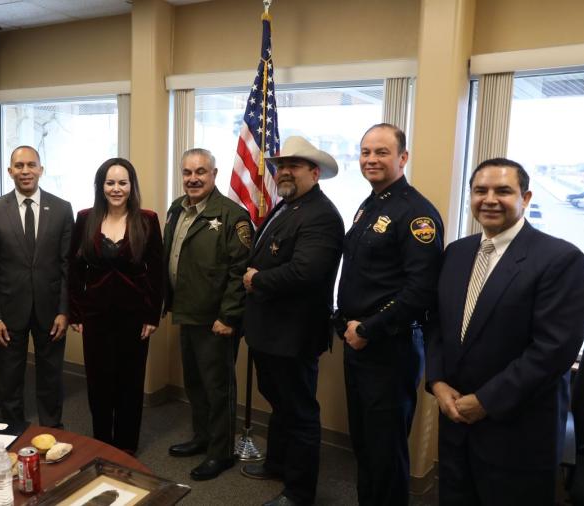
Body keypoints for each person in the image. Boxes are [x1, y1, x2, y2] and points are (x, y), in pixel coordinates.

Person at [426, 158, 584, 505]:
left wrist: (486, 401)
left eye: (503, 191)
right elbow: (438, 324)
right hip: (455, 420)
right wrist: (437, 382)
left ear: (526, 197)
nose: (489, 199)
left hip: (517, 430)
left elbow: (553, 351)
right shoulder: (456, 253)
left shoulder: (560, 259)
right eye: (480, 190)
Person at [335, 123, 444, 506]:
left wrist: (368, 327)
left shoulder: (417, 215)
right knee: (365, 445)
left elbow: (420, 291)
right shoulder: (370, 204)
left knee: (385, 449)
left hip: (389, 347)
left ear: (403, 157)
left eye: (381, 152)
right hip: (359, 342)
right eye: (365, 152)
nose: (371, 159)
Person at [240, 136, 344, 506]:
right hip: (270, 332)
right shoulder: (287, 206)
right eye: (281, 165)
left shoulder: (322, 215)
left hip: (293, 334)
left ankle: (299, 493)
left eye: (294, 166)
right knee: (280, 404)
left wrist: (257, 280)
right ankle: (278, 464)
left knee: (299, 412)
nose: (284, 171)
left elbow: (307, 273)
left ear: (314, 173)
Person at [163, 148, 252, 481]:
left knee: (218, 388)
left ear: (214, 175)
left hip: (216, 320)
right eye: (187, 172)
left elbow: (239, 271)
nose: (193, 178)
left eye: (201, 171)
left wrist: (229, 317)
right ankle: (202, 438)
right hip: (188, 312)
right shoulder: (177, 208)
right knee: (195, 383)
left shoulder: (232, 216)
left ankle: (221, 452)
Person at [68, 158, 163, 454]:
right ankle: (103, 444)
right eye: (110, 182)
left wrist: (152, 315)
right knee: (99, 385)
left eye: (122, 182)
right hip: (95, 317)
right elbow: (75, 269)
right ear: (101, 186)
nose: (116, 188)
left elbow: (158, 270)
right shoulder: (85, 218)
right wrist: (75, 311)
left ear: (131, 186)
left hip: (134, 318)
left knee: (130, 385)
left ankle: (125, 448)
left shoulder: (147, 219)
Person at [0, 145, 74, 428]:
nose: (25, 171)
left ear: (41, 170)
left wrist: (64, 310)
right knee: (9, 377)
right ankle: (12, 428)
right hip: (9, 310)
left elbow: (67, 265)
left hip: (50, 310)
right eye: (19, 166)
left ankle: (52, 427)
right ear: (10, 171)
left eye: (31, 165)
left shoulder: (61, 208)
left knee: (50, 375)